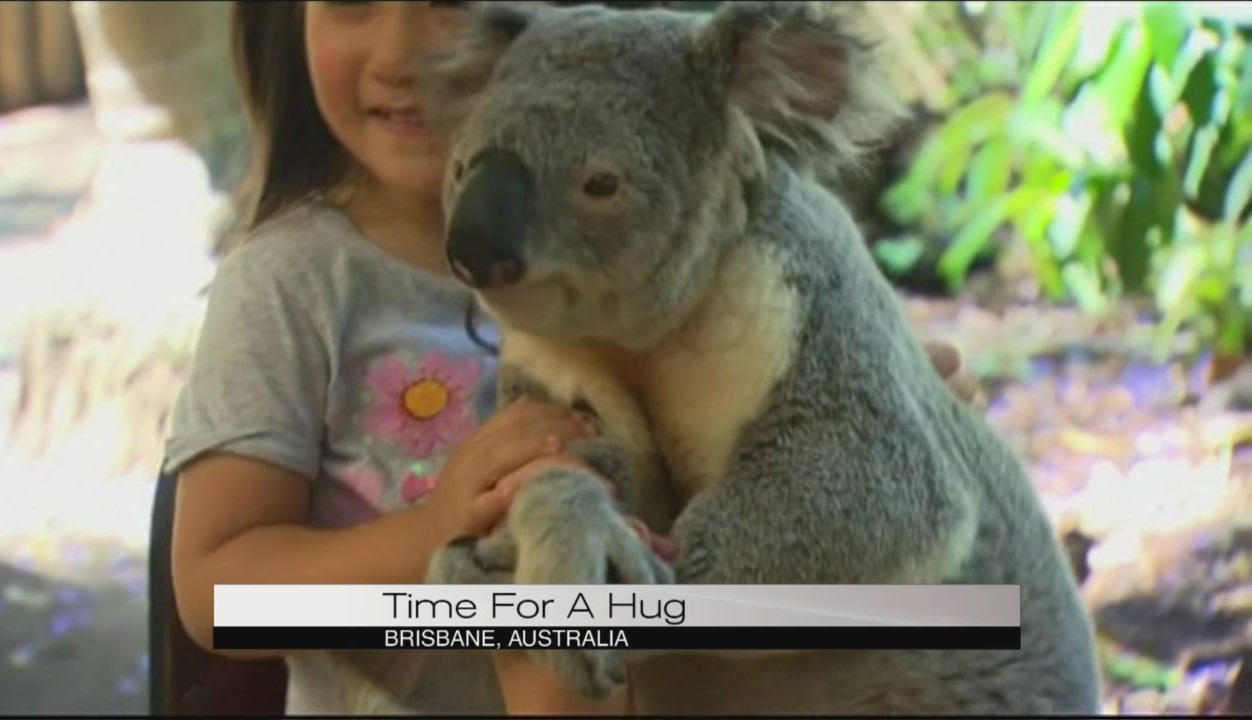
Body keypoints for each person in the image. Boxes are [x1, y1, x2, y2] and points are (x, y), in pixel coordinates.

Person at [163, 1, 980, 716]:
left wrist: (908, 413)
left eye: (452, 0)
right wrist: (435, 536)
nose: (402, 52)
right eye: (349, 1)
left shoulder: (697, 238)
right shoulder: (292, 284)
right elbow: (214, 597)